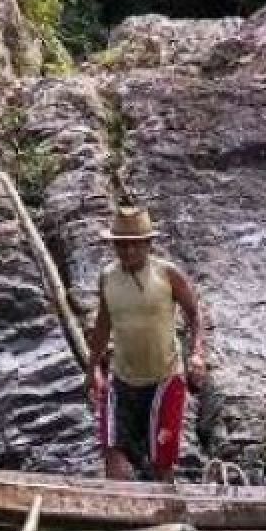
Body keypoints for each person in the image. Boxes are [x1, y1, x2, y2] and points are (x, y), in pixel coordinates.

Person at [87, 206, 207, 482]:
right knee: (112, 451)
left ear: (148, 243)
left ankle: (165, 517)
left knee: (162, 463)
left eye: (134, 245)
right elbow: (103, 325)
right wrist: (93, 370)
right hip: (121, 379)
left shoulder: (167, 274)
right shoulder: (107, 276)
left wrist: (198, 353)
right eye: (121, 246)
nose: (128, 252)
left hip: (164, 379)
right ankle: (122, 516)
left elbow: (194, 313)